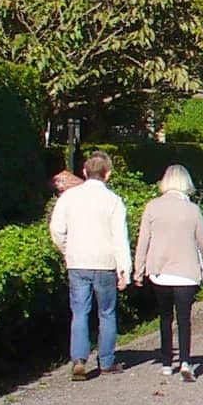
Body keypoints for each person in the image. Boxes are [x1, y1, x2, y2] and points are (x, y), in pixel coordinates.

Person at [49, 152, 131, 380]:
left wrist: (67, 249)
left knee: (79, 312)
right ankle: (106, 361)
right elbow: (120, 238)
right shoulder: (113, 201)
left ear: (84, 172)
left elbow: (56, 229)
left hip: (78, 262)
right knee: (106, 313)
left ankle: (79, 359)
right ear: (108, 174)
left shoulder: (69, 197)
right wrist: (124, 270)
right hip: (105, 263)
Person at [134, 164, 203, 383]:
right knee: (184, 318)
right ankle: (186, 361)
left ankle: (167, 362)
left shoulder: (152, 207)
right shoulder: (192, 210)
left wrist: (138, 270)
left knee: (165, 316)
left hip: (159, 272)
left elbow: (143, 242)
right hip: (186, 272)